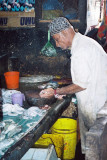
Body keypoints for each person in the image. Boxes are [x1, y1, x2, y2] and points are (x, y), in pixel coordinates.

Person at [39, 17, 107, 154]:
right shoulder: (85, 43)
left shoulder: (80, 51)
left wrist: (57, 91)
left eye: (57, 39)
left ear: (65, 33)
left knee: (95, 152)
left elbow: (81, 84)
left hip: (97, 109)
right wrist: (66, 91)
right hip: (100, 104)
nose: (57, 45)